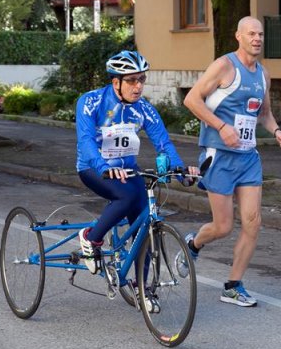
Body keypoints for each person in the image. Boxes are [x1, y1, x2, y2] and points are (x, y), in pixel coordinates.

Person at [181, 16, 281, 307]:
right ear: (238, 36)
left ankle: (232, 285)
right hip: (219, 156)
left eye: (261, 34)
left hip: (248, 158)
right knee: (223, 226)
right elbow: (191, 100)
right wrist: (221, 126)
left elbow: (263, 113)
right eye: (251, 33)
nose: (257, 38)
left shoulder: (263, 75)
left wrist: (277, 131)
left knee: (253, 223)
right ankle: (194, 243)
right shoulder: (224, 66)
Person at [75, 50, 198, 283]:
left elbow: (164, 144)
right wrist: (103, 166)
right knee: (126, 196)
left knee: (145, 228)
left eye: (141, 79)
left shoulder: (144, 109)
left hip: (128, 172)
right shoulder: (91, 102)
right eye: (131, 80)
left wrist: (181, 172)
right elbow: (86, 141)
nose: (138, 86)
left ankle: (143, 288)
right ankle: (91, 238)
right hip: (94, 168)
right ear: (116, 82)